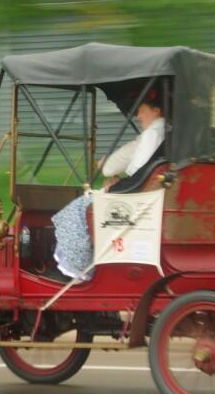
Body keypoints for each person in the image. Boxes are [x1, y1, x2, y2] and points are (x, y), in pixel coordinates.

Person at [51, 94, 165, 282]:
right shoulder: (160, 132)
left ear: (156, 110)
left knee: (79, 207)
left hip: (135, 198)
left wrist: (117, 185)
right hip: (141, 193)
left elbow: (138, 171)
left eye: (141, 110)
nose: (138, 116)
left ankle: (79, 268)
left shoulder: (153, 133)